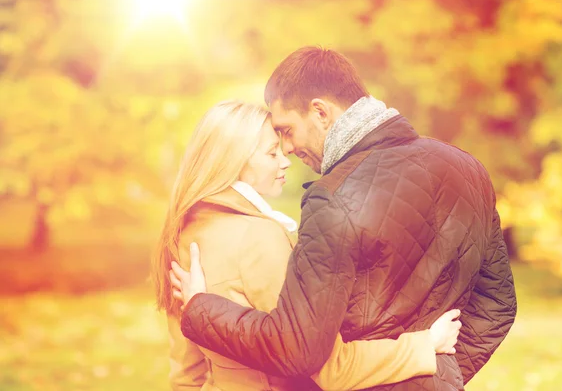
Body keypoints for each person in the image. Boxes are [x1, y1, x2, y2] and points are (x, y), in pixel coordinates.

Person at [174, 47, 518, 390]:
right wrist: (438, 373)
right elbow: (497, 306)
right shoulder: (469, 169)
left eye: (288, 131)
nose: (289, 150)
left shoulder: (333, 196)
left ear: (320, 112)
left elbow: (299, 350)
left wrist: (200, 310)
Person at [153, 100, 463, 391]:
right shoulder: (259, 238)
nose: (285, 161)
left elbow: (187, 373)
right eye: (272, 153)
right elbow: (327, 367)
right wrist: (423, 345)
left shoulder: (182, 235)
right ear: (233, 162)